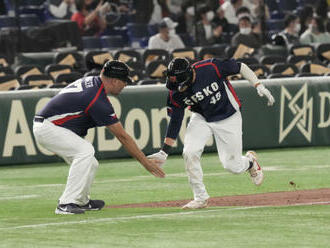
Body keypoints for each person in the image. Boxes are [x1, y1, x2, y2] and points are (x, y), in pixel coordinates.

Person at [33, 60, 165, 215]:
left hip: (52, 126)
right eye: (124, 81)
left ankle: (81, 201)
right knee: (85, 151)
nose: (125, 84)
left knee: (91, 163)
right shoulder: (96, 99)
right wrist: (145, 162)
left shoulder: (92, 83)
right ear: (115, 81)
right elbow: (122, 137)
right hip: (49, 127)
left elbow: (73, 114)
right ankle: (66, 203)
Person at [148, 57, 275, 209]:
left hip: (228, 115)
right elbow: (175, 120)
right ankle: (200, 198)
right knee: (189, 152)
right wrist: (164, 152)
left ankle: (250, 163)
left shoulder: (210, 67)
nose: (177, 86)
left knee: (232, 166)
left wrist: (258, 84)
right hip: (202, 117)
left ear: (189, 76)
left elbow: (240, 67)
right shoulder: (174, 92)